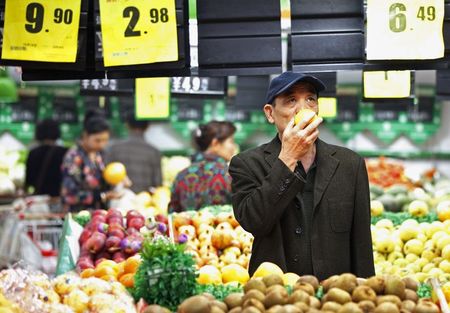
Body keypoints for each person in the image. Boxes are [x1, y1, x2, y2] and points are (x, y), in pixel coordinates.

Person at [228, 72, 374, 281]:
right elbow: (254, 222)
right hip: (273, 298)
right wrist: (288, 157)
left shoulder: (350, 164)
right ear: (270, 114)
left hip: (337, 298)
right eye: (291, 100)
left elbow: (361, 244)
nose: (303, 109)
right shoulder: (247, 164)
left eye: (310, 100)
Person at [168, 121, 237, 213]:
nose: (234, 147)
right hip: (224, 227)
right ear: (215, 143)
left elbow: (172, 215)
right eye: (231, 142)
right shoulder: (230, 174)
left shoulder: (181, 176)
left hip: (187, 227)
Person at [61, 110, 119, 212]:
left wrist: (118, 181)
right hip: (79, 215)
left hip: (98, 215)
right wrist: (101, 196)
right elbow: (68, 195)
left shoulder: (99, 154)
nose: (101, 145)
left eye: (105, 140)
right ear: (85, 135)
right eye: (97, 140)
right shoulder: (74, 157)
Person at [105, 112, 162, 193]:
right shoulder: (154, 152)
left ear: (126, 125)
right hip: (145, 202)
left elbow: (106, 179)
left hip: (118, 201)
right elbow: (157, 184)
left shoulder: (113, 148)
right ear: (148, 127)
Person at [25, 119, 67, 197]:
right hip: (58, 198)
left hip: (40, 200)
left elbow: (28, 181)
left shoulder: (33, 153)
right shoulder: (65, 152)